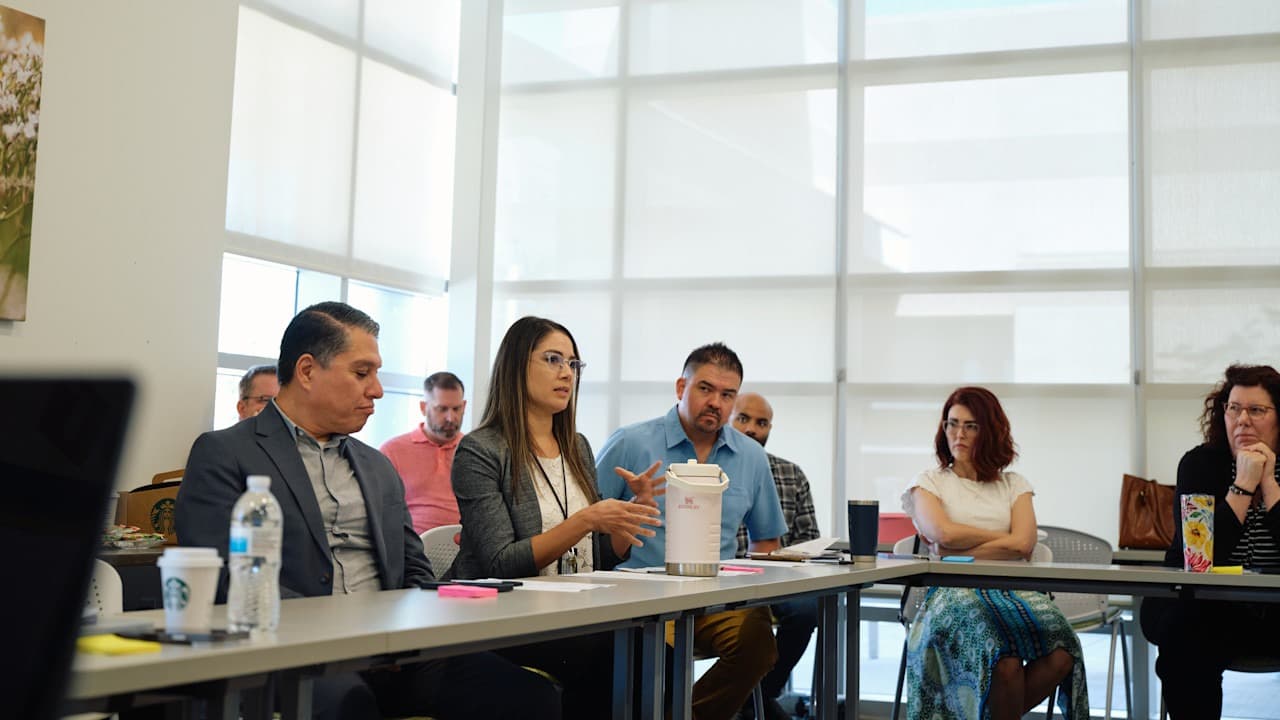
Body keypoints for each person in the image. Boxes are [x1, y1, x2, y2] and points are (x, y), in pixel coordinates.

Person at [176, 302, 558, 720]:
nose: (376, 389)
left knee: (528, 696)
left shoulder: (375, 464)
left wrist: (411, 630)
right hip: (295, 654)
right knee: (346, 703)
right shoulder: (225, 453)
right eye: (362, 373)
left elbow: (414, 568)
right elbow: (225, 575)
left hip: (395, 649)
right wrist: (348, 636)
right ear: (306, 371)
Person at [451, 315, 663, 719]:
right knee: (615, 657)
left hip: (575, 612)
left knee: (657, 656)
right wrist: (585, 520)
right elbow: (501, 563)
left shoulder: (577, 447)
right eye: (553, 359)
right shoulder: (482, 450)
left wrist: (627, 520)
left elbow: (599, 556)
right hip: (506, 619)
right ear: (516, 365)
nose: (567, 373)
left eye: (573, 364)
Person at [596, 343, 787, 720]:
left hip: (716, 600)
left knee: (758, 641)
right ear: (681, 387)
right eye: (705, 389)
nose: (716, 402)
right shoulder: (631, 442)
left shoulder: (750, 456)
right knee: (650, 659)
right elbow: (587, 523)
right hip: (642, 601)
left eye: (727, 394)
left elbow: (767, 540)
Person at [902, 386, 1087, 720]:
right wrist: (1001, 539)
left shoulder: (1014, 483)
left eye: (970, 425)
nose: (958, 434)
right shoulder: (929, 482)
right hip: (952, 591)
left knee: (1063, 651)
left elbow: (1023, 544)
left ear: (990, 430)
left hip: (1015, 589)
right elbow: (941, 534)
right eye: (952, 423)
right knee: (1005, 663)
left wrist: (959, 546)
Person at [1140, 364, 1280, 719]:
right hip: (1213, 608)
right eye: (1234, 408)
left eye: (1256, 410)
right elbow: (1199, 558)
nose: (1242, 420)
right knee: (1183, 643)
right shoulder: (1201, 464)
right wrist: (1242, 487)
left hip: (1277, 613)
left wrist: (1271, 488)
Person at [731, 391, 819, 720]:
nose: (753, 428)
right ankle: (752, 703)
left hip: (776, 582)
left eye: (762, 422)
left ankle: (759, 695)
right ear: (727, 419)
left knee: (807, 610)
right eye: (743, 419)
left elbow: (808, 539)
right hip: (721, 580)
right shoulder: (705, 470)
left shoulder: (791, 474)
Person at [380, 371, 468, 534]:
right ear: (423, 407)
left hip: (467, 550)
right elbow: (380, 512)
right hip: (412, 551)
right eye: (442, 409)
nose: (451, 417)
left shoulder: (474, 451)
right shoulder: (392, 451)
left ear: (464, 406)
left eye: (456, 409)